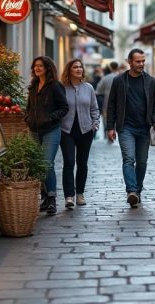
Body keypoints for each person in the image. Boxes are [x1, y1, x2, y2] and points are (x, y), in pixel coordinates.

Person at [106, 49, 155, 207]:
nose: (142, 64)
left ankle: (137, 190)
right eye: (138, 61)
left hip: (145, 128)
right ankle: (131, 190)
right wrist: (110, 127)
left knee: (142, 162)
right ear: (129, 62)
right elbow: (111, 105)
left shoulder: (151, 81)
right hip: (126, 128)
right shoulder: (119, 81)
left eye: (143, 61)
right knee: (129, 159)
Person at [24, 56, 69, 216]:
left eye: (40, 66)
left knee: (46, 163)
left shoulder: (55, 86)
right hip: (34, 130)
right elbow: (28, 107)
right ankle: (44, 197)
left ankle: (52, 199)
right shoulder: (33, 86)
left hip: (51, 130)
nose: (37, 68)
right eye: (35, 66)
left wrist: (49, 118)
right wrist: (28, 118)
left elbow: (64, 107)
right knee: (37, 165)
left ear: (48, 68)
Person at [60, 59, 100, 208]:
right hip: (66, 131)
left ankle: (80, 194)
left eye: (80, 67)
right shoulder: (62, 88)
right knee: (69, 162)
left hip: (85, 131)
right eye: (75, 67)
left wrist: (95, 124)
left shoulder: (88, 88)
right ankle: (69, 196)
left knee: (82, 163)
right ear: (69, 70)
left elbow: (95, 108)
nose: (78, 69)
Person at [95, 61, 119, 126]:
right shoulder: (123, 77)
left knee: (108, 127)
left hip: (107, 106)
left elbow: (97, 91)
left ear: (110, 68)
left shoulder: (105, 78)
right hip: (121, 107)